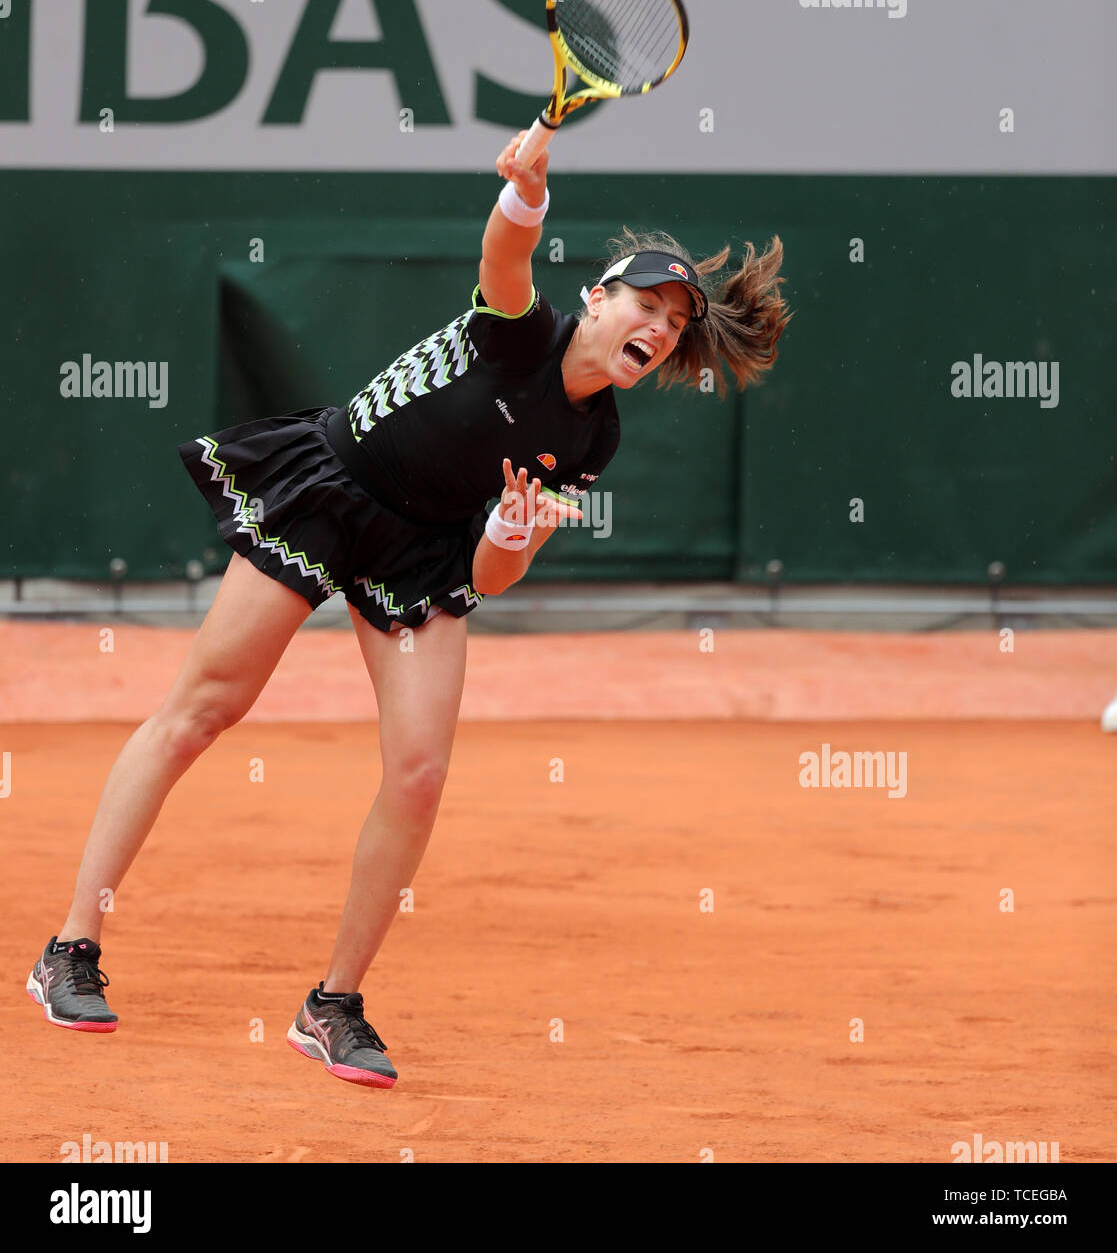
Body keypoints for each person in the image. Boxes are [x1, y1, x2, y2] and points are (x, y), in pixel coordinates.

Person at [26, 132, 792, 1088]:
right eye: (645, 304)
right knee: (204, 710)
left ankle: (331, 1005)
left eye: (674, 325)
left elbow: (490, 577)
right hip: (331, 486)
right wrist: (528, 193)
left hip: (423, 547)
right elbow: (502, 258)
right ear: (597, 298)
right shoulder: (522, 327)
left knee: (421, 772)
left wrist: (512, 535)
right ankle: (70, 947)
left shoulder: (592, 440)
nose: (659, 328)